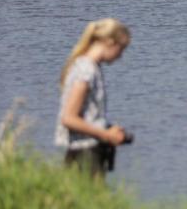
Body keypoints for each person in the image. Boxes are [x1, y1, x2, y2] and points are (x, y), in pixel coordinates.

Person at [56, 18, 131, 178]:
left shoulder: (87, 66)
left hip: (87, 150)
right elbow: (68, 118)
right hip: (85, 153)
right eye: (121, 49)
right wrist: (106, 135)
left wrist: (107, 128)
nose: (120, 56)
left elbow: (87, 115)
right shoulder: (86, 70)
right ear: (110, 42)